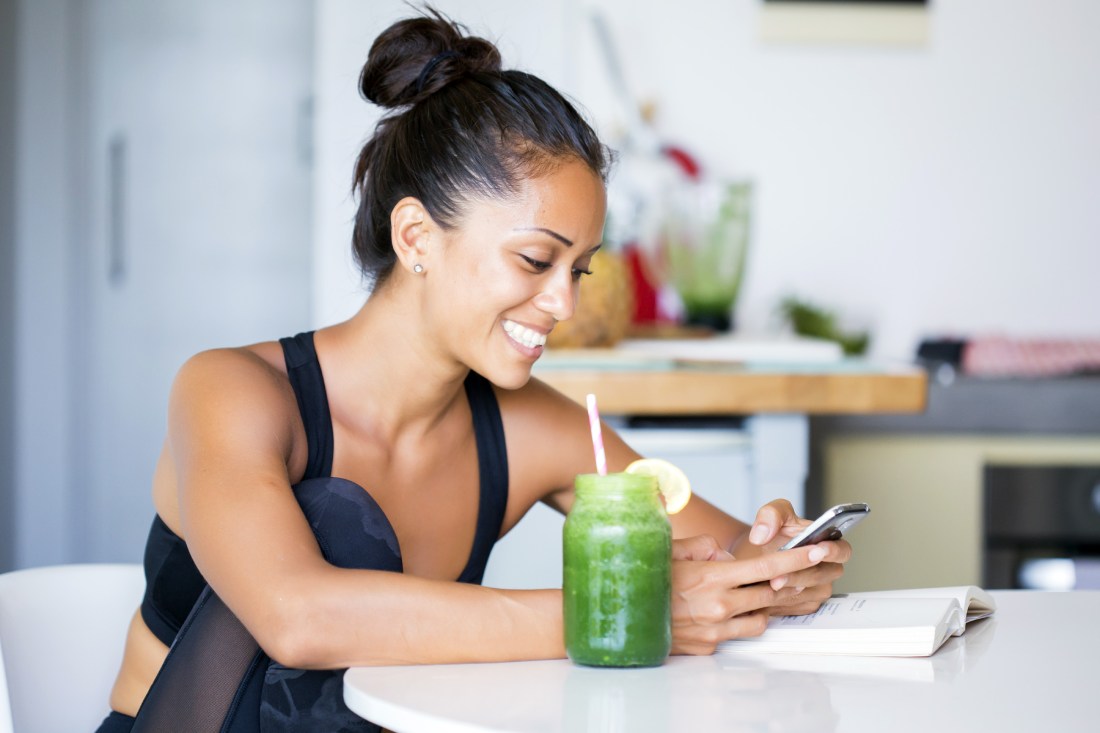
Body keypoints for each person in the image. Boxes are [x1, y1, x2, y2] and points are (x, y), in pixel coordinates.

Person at [96, 9, 850, 733]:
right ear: (416, 234)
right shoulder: (234, 392)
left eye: (579, 269)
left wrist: (783, 563)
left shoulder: (536, 429)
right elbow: (298, 615)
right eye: (535, 259)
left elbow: (730, 561)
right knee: (336, 517)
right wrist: (628, 613)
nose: (563, 302)